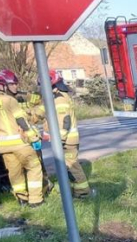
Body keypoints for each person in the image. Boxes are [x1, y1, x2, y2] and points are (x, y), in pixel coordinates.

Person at [29, 70, 91, 198]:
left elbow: (65, 122)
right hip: (66, 140)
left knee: (72, 166)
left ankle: (83, 192)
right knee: (69, 167)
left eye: (43, 87)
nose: (41, 90)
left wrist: (60, 141)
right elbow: (38, 115)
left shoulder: (60, 100)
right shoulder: (55, 99)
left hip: (67, 141)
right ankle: (77, 192)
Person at [0, 72, 44, 207]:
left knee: (14, 172)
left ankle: (21, 198)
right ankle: (36, 200)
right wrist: (33, 137)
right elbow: (21, 120)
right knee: (34, 167)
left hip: (2, 146)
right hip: (19, 142)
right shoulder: (9, 100)